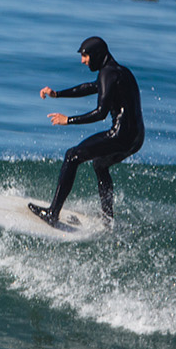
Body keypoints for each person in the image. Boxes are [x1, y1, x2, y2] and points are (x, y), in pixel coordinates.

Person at [30, 36, 144, 227]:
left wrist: (68, 120)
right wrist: (57, 94)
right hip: (137, 137)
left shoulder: (107, 73)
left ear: (97, 55)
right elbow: (91, 87)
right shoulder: (120, 72)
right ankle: (107, 219)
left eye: (85, 56)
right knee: (100, 164)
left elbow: (100, 113)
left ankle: (52, 213)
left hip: (120, 135)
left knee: (72, 156)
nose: (83, 61)